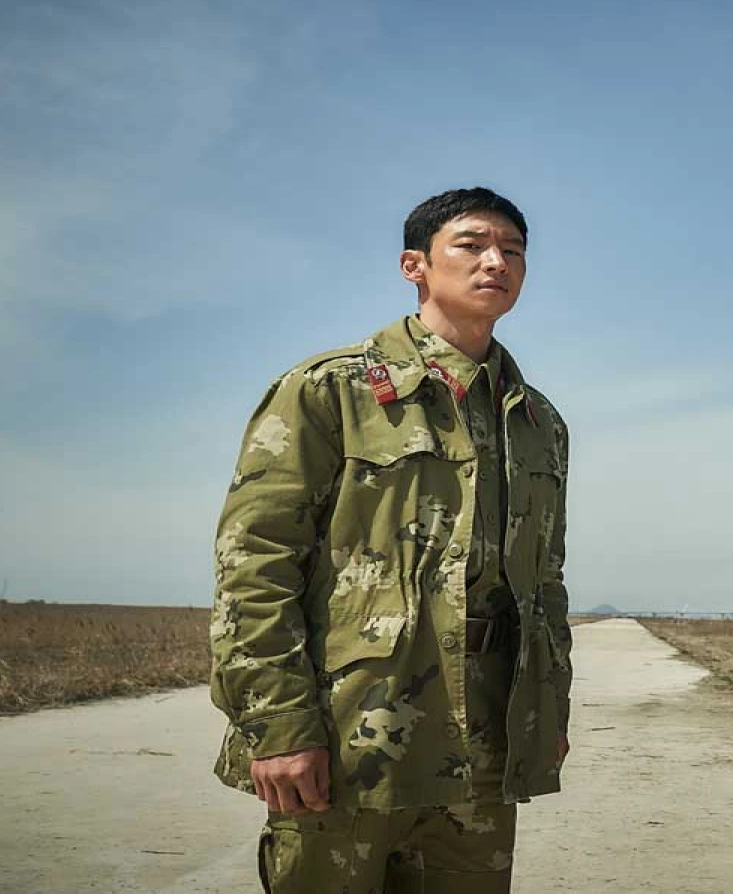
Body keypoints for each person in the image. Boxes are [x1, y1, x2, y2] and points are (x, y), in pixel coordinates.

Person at [209, 187, 571, 894]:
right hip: (351, 734)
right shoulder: (330, 390)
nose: (496, 262)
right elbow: (254, 565)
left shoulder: (537, 421)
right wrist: (278, 723)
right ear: (415, 265)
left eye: (513, 250)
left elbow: (544, 584)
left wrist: (547, 709)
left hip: (487, 742)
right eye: (472, 245)